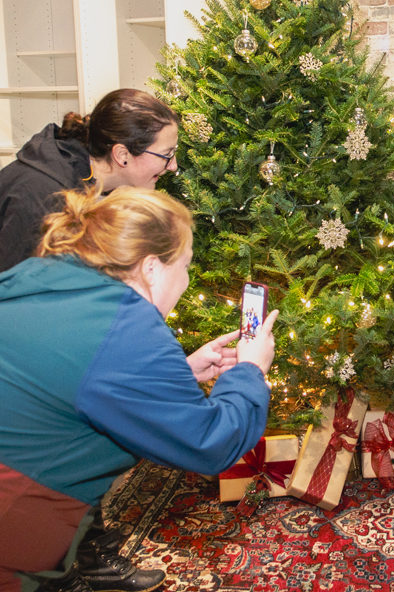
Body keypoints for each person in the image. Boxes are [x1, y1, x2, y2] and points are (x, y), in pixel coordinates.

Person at [0, 185, 278, 592]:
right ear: (151, 267)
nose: (185, 280)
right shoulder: (127, 329)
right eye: (184, 265)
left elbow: (75, 378)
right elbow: (210, 444)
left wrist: (180, 370)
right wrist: (250, 369)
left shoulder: (39, 275)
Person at [0, 88, 180, 273]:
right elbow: (16, 293)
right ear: (122, 154)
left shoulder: (89, 182)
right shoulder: (45, 198)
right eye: (166, 155)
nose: (173, 165)